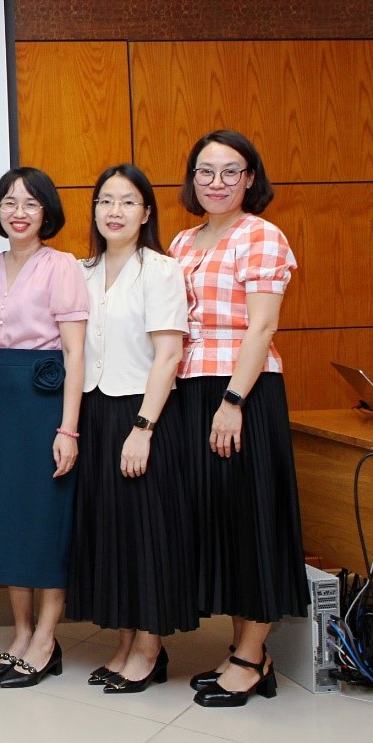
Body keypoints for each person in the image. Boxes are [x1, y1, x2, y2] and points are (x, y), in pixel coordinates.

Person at [169, 129, 307, 708]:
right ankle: (241, 650)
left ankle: (252, 658)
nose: (217, 182)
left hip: (241, 393)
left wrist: (233, 401)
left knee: (252, 520)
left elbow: (263, 326)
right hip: (189, 389)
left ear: (250, 178)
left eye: (231, 171)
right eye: (206, 171)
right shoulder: (183, 240)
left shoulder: (261, 235)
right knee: (219, 521)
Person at [64, 164, 196, 693]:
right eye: (105, 201)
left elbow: (168, 355)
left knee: (145, 534)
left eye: (126, 202)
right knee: (112, 532)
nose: (114, 211)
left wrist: (143, 428)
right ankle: (125, 643)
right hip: (94, 411)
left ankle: (149, 649)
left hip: (142, 415)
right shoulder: (81, 270)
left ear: (146, 213)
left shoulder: (161, 270)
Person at [0, 167, 87, 689]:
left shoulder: (63, 266)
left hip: (44, 401)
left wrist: (68, 429)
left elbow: (75, 352)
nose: (19, 212)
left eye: (31, 204)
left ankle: (47, 639)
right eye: (10, 202)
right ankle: (20, 633)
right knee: (7, 517)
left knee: (45, 519)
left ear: (46, 212)